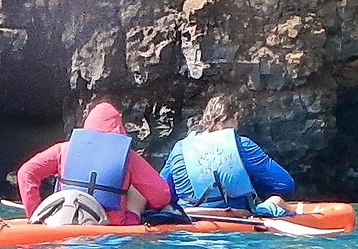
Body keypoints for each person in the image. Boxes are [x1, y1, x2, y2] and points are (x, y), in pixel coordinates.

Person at [16, 101, 172, 226]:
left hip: (64, 218)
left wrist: (35, 215)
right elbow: (162, 195)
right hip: (112, 224)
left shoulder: (63, 149)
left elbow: (26, 173)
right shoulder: (128, 157)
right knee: (136, 192)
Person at [162, 94, 297, 212]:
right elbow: (285, 184)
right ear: (235, 117)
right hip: (236, 216)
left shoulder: (179, 148)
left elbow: (162, 191)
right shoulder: (243, 145)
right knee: (275, 200)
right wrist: (252, 186)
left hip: (189, 220)